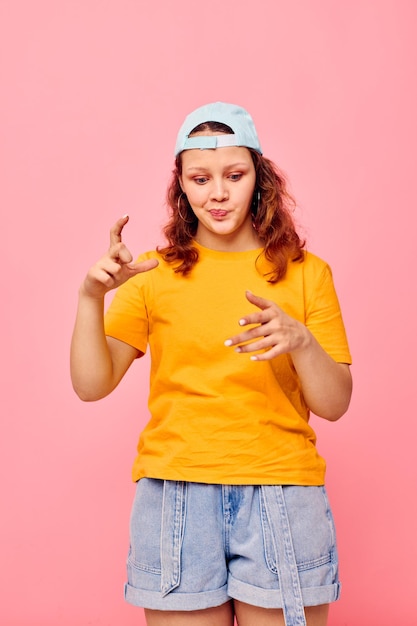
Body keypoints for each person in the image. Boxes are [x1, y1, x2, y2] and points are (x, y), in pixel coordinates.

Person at [70, 102, 352, 626]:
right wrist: (91, 298)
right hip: (175, 499)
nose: (217, 194)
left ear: (260, 178)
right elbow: (91, 385)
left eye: (234, 175)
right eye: (200, 179)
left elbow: (334, 404)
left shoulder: (308, 274)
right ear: (181, 185)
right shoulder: (152, 274)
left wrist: (302, 342)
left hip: (282, 495)